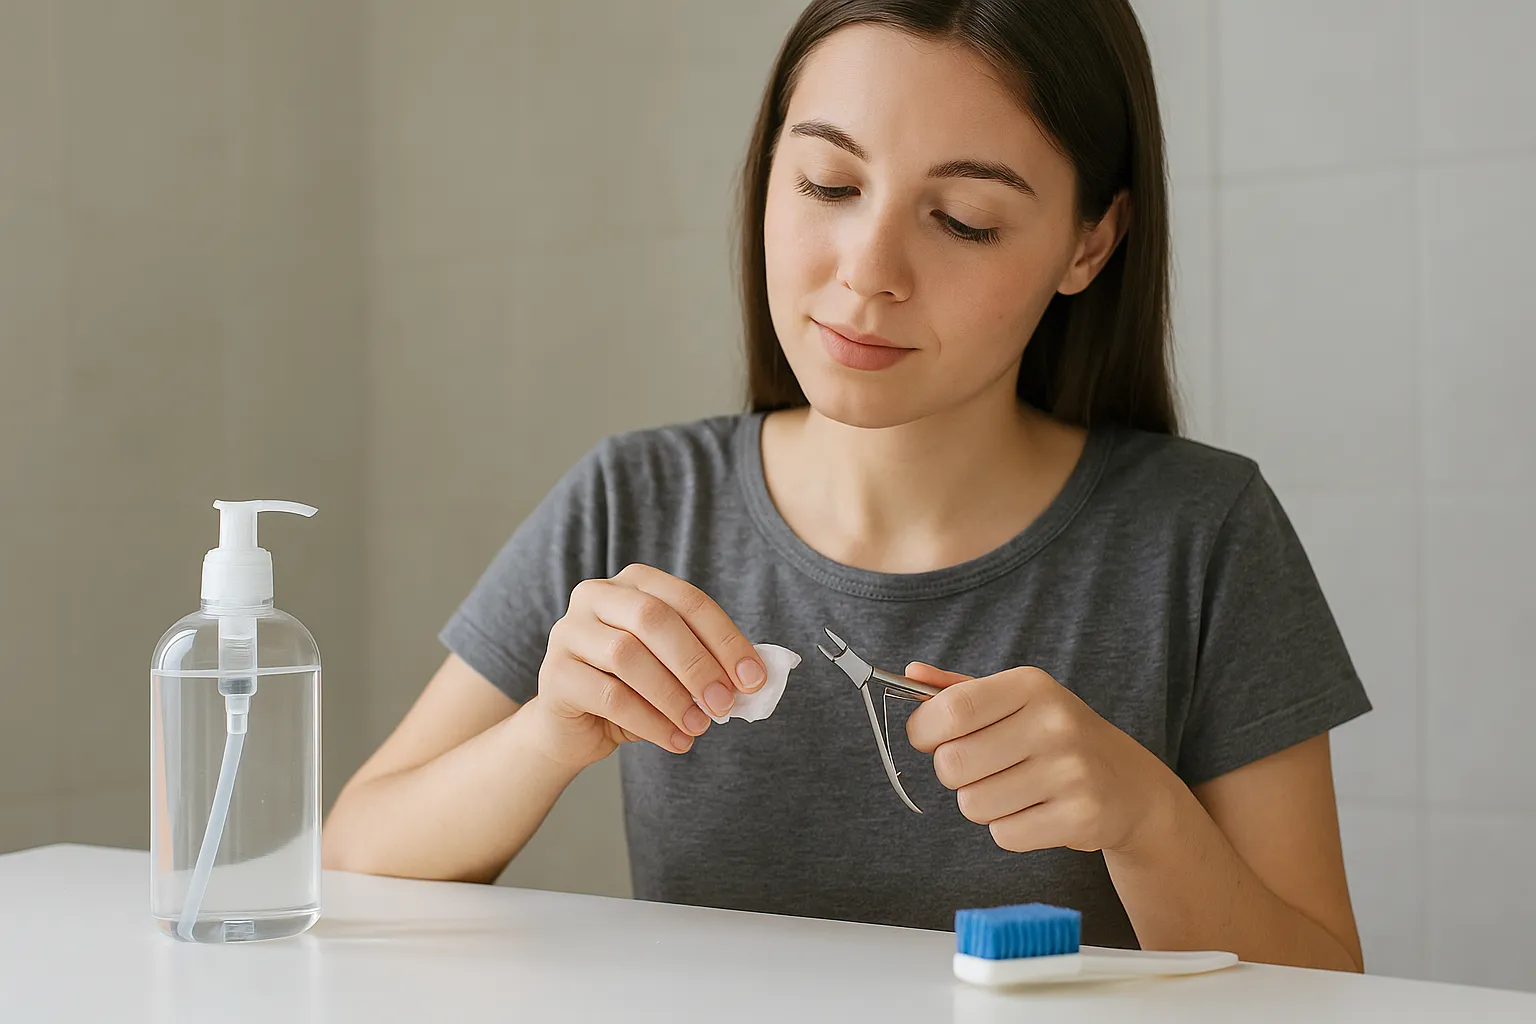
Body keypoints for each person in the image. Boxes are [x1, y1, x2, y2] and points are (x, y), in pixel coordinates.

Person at [323, 0, 1370, 971]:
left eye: (961, 218)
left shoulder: (1202, 533)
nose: (868, 269)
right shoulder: (636, 498)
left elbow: (1331, 991)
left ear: (1089, 241)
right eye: (827, 184)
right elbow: (349, 859)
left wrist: (1146, 817)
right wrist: (549, 734)